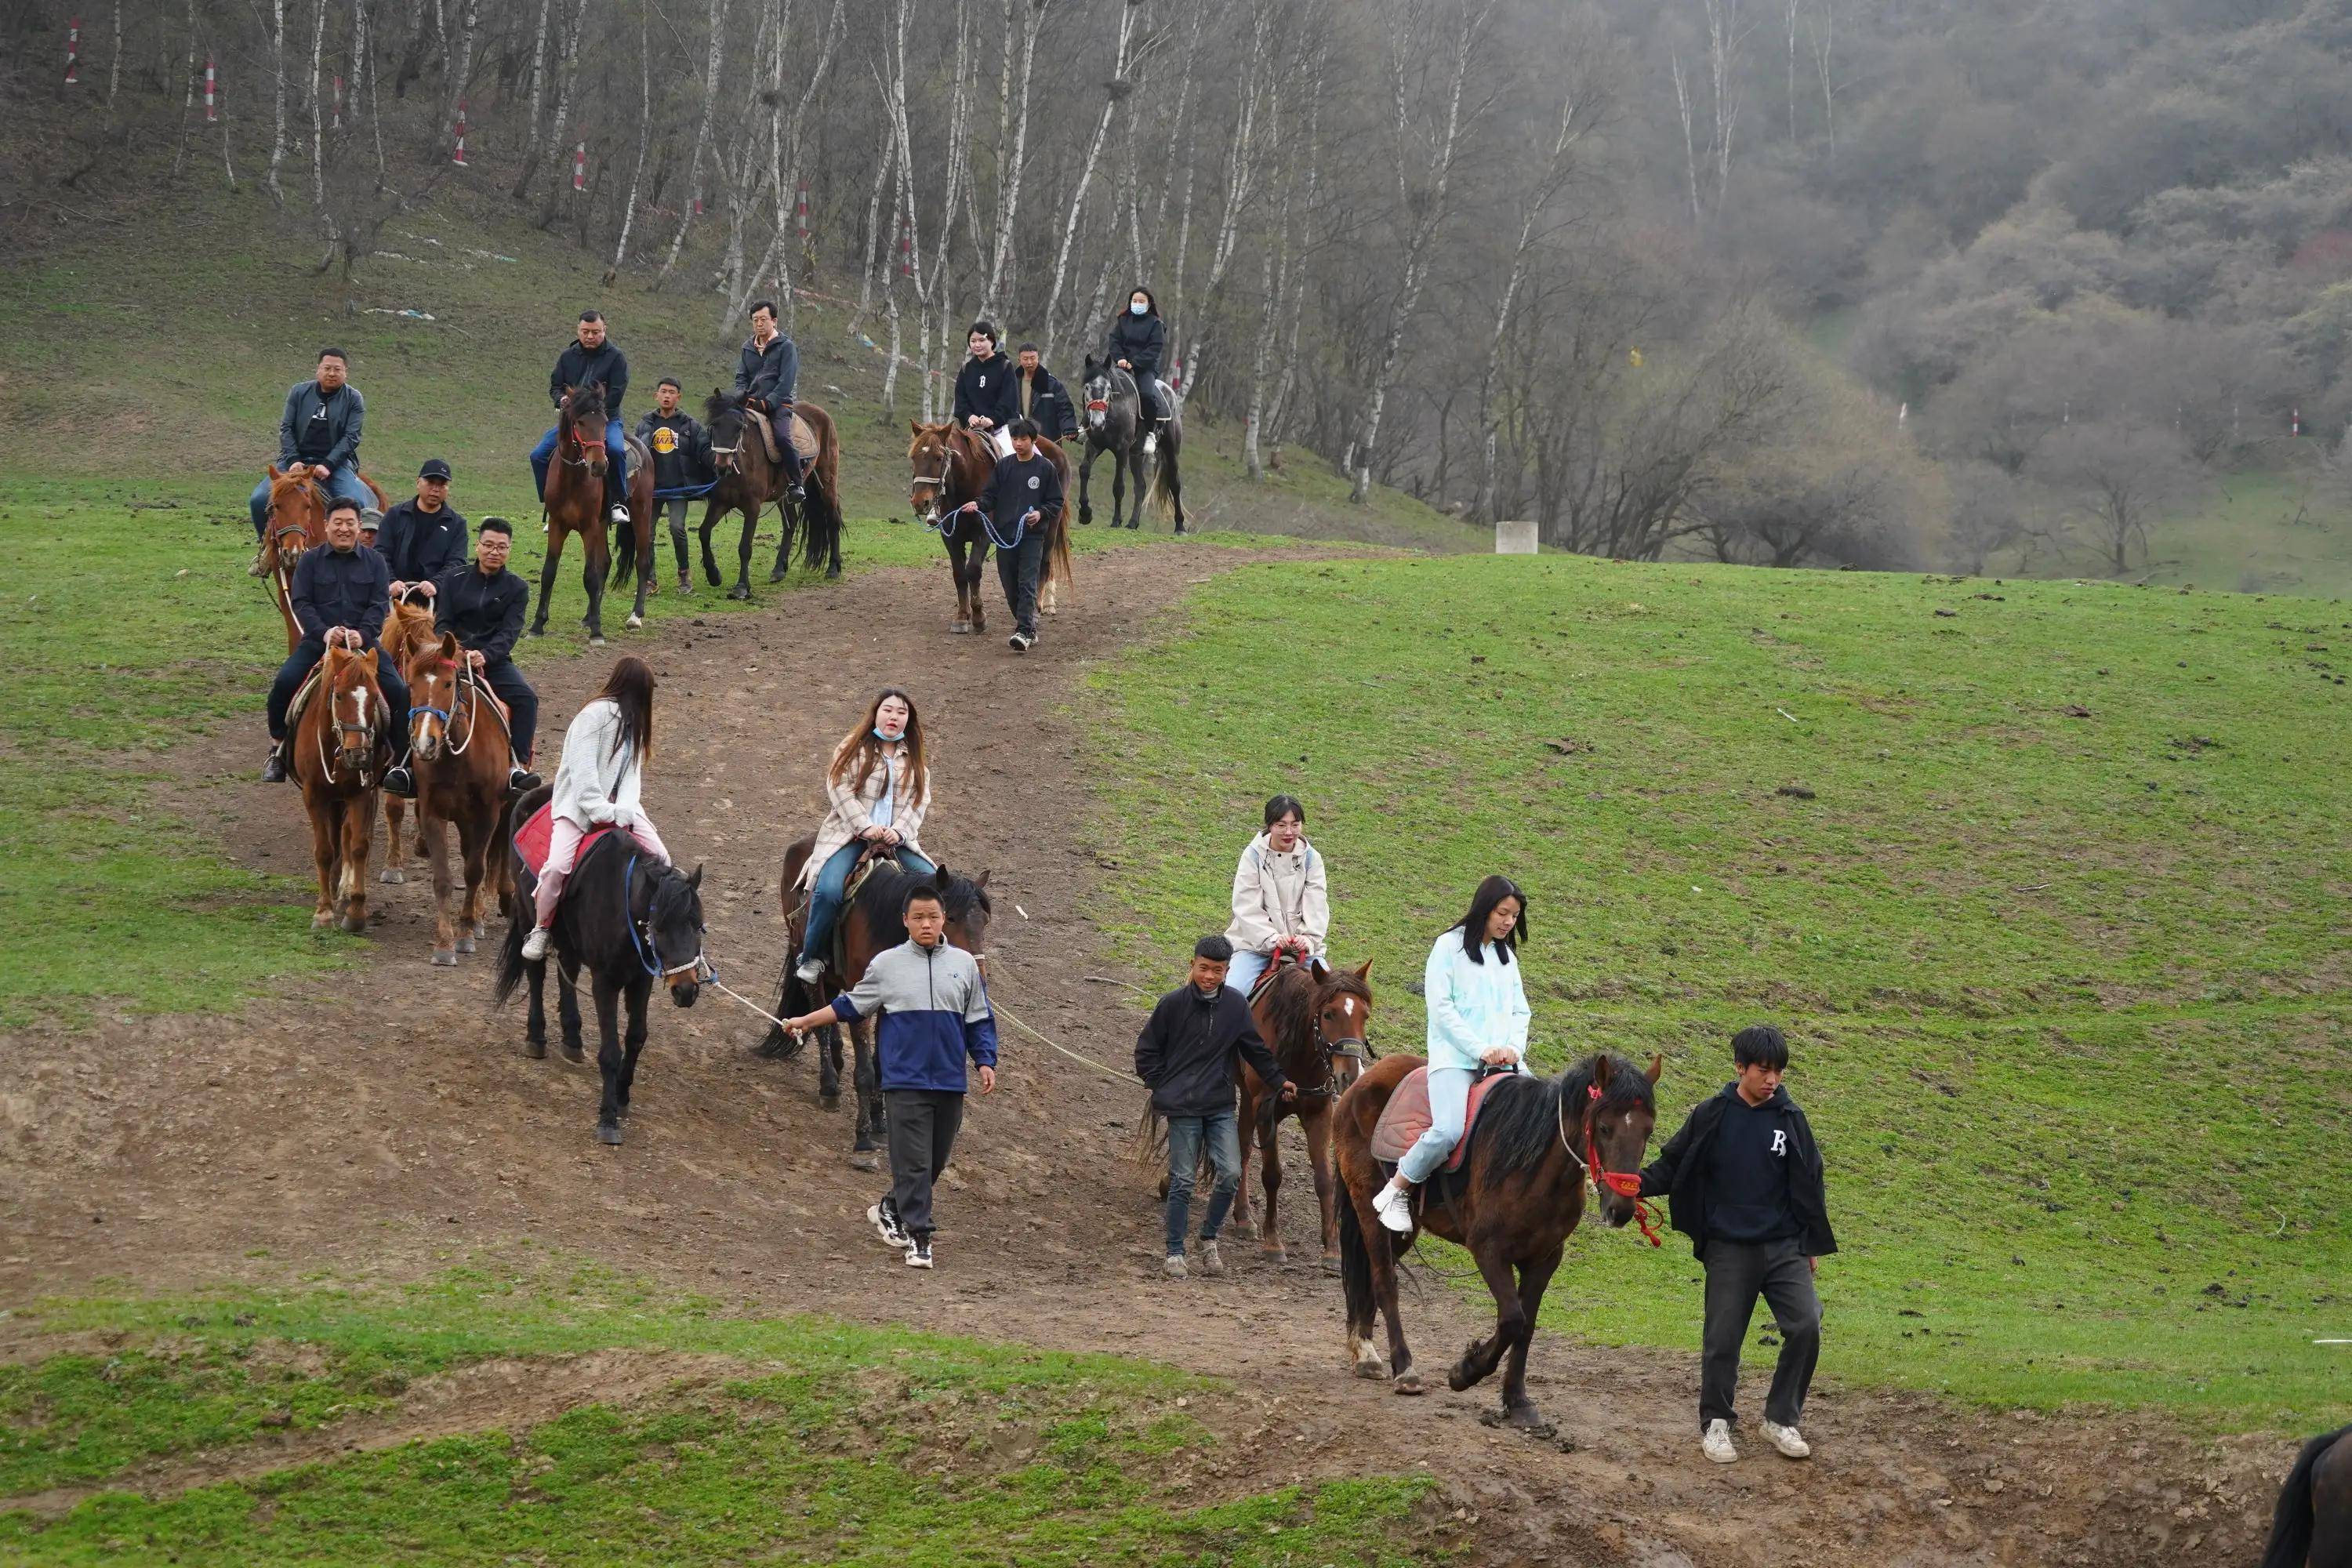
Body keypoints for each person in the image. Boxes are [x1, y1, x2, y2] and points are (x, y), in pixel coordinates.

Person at [1638, 1025, 1836, 1466]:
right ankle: (1717, 1424)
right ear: (1740, 1068)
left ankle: (1780, 1419)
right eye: (1764, 1071)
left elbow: (1810, 1182)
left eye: (1779, 1072)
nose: (1772, 1080)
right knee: (1723, 1339)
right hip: (1729, 1247)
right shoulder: (1712, 1115)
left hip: (1784, 1247)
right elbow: (1672, 1165)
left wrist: (1810, 1244)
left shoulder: (1791, 1119)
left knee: (1806, 1323)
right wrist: (1633, 1184)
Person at [776, 881, 998, 1271]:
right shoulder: (887, 964)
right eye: (918, 918)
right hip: (903, 1081)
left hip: (949, 1081)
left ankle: (890, 1208)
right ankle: (920, 1237)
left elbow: (978, 1017)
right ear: (905, 922)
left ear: (944, 918)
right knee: (912, 1163)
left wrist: (985, 1060)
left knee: (934, 1162)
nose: (926, 924)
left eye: (932, 916)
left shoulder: (964, 965)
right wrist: (806, 1021)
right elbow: (849, 1005)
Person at [1370, 875, 1533, 1233]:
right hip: (1455, 1062)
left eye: (1514, 916)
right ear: (1484, 909)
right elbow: (1441, 1010)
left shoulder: (1507, 957)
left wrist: (1513, 1048)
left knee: (1546, 1116)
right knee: (1446, 1130)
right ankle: (1395, 1190)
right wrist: (1480, 1049)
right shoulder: (1448, 946)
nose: (1508, 921)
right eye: (1502, 913)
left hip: (1506, 1063)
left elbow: (1521, 1011)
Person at [1134, 935, 1294, 1279]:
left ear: (1227, 971)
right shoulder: (1171, 1004)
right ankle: (1175, 1252)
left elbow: (1254, 1050)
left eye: (1217, 970)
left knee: (1232, 1174)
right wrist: (1161, 1085)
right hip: (1183, 1108)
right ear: (1192, 965)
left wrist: (1280, 1080)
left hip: (1220, 1105)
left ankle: (1208, 1239)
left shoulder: (1236, 1006)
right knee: (1183, 1180)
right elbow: (1146, 1051)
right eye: (1204, 968)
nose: (1209, 976)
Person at [521, 655, 670, 961]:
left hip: (621, 807)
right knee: (557, 868)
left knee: (663, 860)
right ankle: (541, 927)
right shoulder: (592, 717)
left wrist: (625, 811)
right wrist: (604, 812)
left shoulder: (634, 724)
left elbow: (631, 777)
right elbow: (583, 774)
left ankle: (661, 926)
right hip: (578, 806)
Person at [791, 689, 938, 986]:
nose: (894, 717)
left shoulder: (915, 759)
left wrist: (897, 832)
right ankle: (812, 956)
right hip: (851, 836)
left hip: (896, 841)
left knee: (936, 883)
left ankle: (935, 954)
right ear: (876, 713)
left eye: (901, 712)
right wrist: (865, 827)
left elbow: (918, 802)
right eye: (888, 710)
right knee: (829, 890)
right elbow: (839, 788)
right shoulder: (852, 748)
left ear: (908, 720)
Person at [261, 497, 410, 787]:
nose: (344, 529)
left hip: (363, 647)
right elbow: (302, 603)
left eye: (350, 523)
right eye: (338, 523)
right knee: (283, 683)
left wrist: (363, 634)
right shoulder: (309, 561)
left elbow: (379, 604)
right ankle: (277, 748)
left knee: (399, 690)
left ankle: (400, 761)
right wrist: (324, 632)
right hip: (319, 643)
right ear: (326, 526)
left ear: (358, 526)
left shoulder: (376, 562)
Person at [405, 517, 540, 797]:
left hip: (493, 661)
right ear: (477, 546)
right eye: (489, 545)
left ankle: (517, 765)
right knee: (411, 692)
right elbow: (442, 622)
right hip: (451, 657)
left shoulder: (518, 588)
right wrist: (452, 648)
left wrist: (486, 655)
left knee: (527, 698)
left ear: (509, 550)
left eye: (501, 547)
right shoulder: (454, 580)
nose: (494, 552)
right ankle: (404, 765)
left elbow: (510, 631)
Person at [956, 416, 1063, 654]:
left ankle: (1023, 631)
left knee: (1027, 584)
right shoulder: (1003, 467)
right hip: (1004, 536)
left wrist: (1041, 513)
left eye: (1023, 439)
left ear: (1032, 440)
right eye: (1014, 439)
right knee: (1009, 587)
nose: (1018, 444)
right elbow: (990, 496)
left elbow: (1056, 502)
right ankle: (1029, 625)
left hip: (1032, 537)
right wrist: (977, 504)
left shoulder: (1045, 468)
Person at [249, 348, 375, 539]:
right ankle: (265, 548)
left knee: (356, 502)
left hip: (336, 465)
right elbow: (287, 428)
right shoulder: (299, 392)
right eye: (327, 368)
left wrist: (328, 464)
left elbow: (352, 436)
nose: (332, 373)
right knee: (258, 500)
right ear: (318, 369)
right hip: (295, 462)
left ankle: (353, 556)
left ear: (345, 372)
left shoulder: (353, 399)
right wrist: (293, 459)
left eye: (337, 369)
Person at [528, 310, 632, 527]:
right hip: (573, 422)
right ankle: (550, 503)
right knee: (538, 455)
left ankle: (617, 503)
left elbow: (616, 392)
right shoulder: (567, 356)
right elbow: (555, 386)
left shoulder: (616, 357)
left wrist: (590, 406)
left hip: (605, 420)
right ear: (579, 330)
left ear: (604, 330)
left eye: (595, 332)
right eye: (585, 331)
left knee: (614, 450)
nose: (590, 336)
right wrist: (562, 400)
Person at [1222, 794, 1330, 998]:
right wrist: (1271, 938)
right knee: (1234, 993)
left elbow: (1317, 904)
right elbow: (1246, 905)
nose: (1289, 832)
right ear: (1270, 825)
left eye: (1295, 825)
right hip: (1254, 946)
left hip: (1303, 950)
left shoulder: (1312, 859)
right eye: (1281, 825)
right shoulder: (1253, 855)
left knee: (1334, 996)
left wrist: (1307, 939)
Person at [636, 380, 711, 590]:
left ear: (679, 397)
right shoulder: (645, 424)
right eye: (663, 392)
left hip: (679, 489)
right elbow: (635, 453)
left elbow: (704, 450)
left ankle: (684, 574)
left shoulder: (690, 425)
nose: (667, 396)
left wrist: (718, 463)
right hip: (651, 490)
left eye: (672, 392)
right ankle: (650, 580)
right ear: (656, 396)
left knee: (677, 528)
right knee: (647, 533)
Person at [732, 299, 805, 501]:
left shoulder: (786, 347)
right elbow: (741, 377)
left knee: (782, 437)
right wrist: (741, 394)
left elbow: (786, 381)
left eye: (763, 319)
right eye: (755, 320)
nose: (759, 324)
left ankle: (795, 483)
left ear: (774, 321)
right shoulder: (747, 348)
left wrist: (768, 402)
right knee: (726, 428)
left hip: (778, 405)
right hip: (750, 403)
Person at [376, 459, 470, 605]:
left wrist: (435, 583)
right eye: (430, 482)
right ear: (418, 482)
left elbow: (457, 561)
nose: (436, 489)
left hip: (436, 601)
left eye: (442, 485)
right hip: (394, 597)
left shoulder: (457, 524)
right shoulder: (394, 515)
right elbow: (381, 552)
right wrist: (391, 581)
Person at [1103, 287, 1171, 453]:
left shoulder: (1156, 324)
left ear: (1149, 305)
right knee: (1099, 387)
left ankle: (1150, 433)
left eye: (1141, 301)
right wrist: (1120, 358)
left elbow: (1154, 349)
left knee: (1147, 395)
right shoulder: (1122, 320)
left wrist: (1134, 363)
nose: (1137, 304)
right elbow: (1114, 341)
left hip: (1145, 368)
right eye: (1135, 301)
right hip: (1121, 365)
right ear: (1130, 302)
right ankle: (1087, 426)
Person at [952, 321, 1018, 458]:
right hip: (971, 428)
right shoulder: (966, 369)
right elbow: (960, 401)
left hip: (1001, 427)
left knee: (1011, 457)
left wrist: (993, 419)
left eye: (982, 340)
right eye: (973, 341)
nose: (977, 345)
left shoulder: (1005, 366)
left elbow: (1009, 400)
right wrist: (969, 416)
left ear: (992, 341)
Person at [1011, 343, 1080, 442]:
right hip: (1018, 440)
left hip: (1047, 441)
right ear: (1019, 360)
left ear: (1038, 358)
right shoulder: (1011, 382)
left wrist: (1069, 429)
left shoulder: (1052, 384)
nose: (1029, 362)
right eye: (1025, 359)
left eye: (1033, 358)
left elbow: (1064, 408)